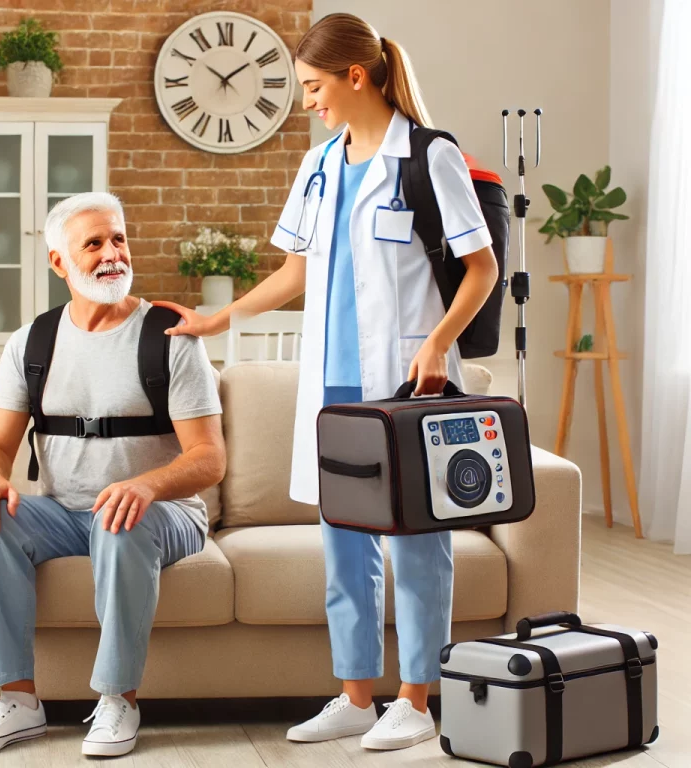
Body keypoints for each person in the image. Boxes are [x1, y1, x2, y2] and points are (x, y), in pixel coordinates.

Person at [157, 13, 498, 752]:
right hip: (332, 388)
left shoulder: (428, 157)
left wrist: (439, 342)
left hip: (407, 383)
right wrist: (220, 321)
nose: (307, 102)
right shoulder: (318, 165)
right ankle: (354, 694)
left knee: (415, 542)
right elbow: (296, 272)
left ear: (355, 76)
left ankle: (415, 698)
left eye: (313, 87)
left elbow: (482, 268)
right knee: (342, 541)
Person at [0, 192, 226, 757]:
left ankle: (117, 700)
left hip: (164, 514)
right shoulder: (32, 342)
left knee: (118, 520)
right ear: (60, 263)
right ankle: (18, 703)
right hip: (63, 511)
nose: (112, 254)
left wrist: (148, 484)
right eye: (94, 243)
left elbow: (208, 459)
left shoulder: (170, 338)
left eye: (119, 239)